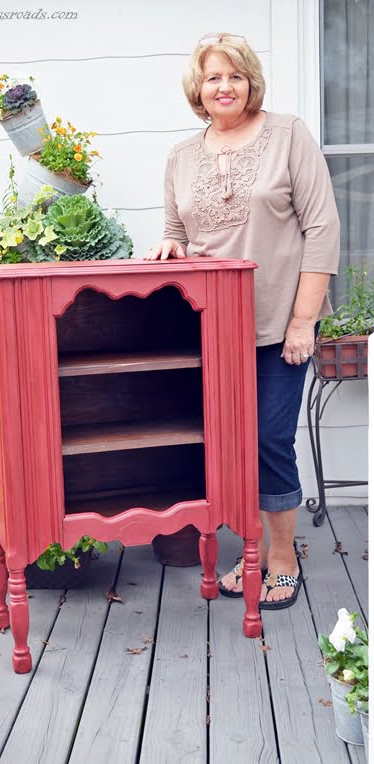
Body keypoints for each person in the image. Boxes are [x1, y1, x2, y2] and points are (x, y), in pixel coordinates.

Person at [145, 32, 340, 609]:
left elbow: (323, 227)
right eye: (212, 77)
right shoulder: (181, 155)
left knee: (269, 438)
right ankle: (249, 550)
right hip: (209, 329)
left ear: (250, 82)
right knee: (227, 443)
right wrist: (169, 249)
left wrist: (304, 321)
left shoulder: (288, 135)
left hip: (282, 322)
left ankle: (282, 559)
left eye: (234, 75)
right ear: (197, 89)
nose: (223, 86)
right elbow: (178, 233)